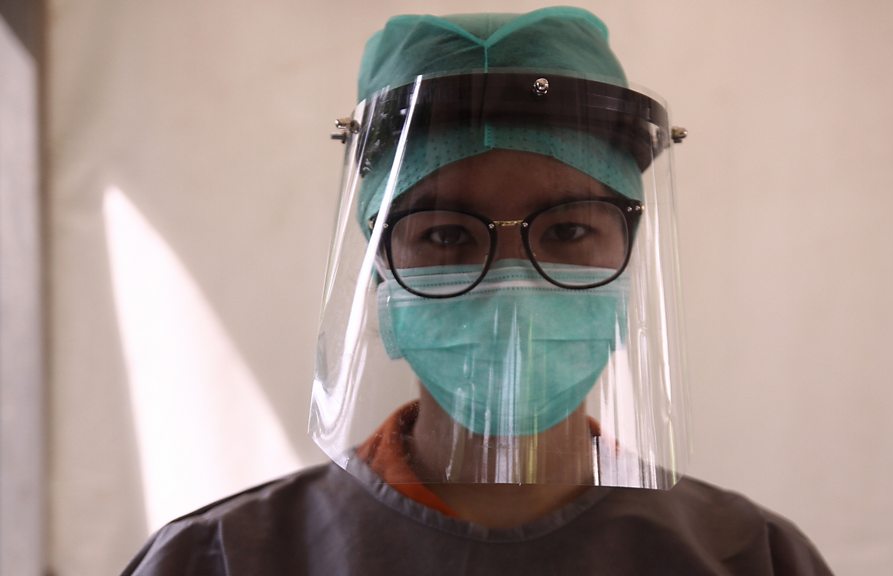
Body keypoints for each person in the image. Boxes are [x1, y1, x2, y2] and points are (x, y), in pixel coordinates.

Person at [123, 7, 833, 574]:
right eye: (445, 235)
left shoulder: (750, 558)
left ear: (628, 252)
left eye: (568, 230)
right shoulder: (223, 559)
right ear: (379, 262)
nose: (511, 284)